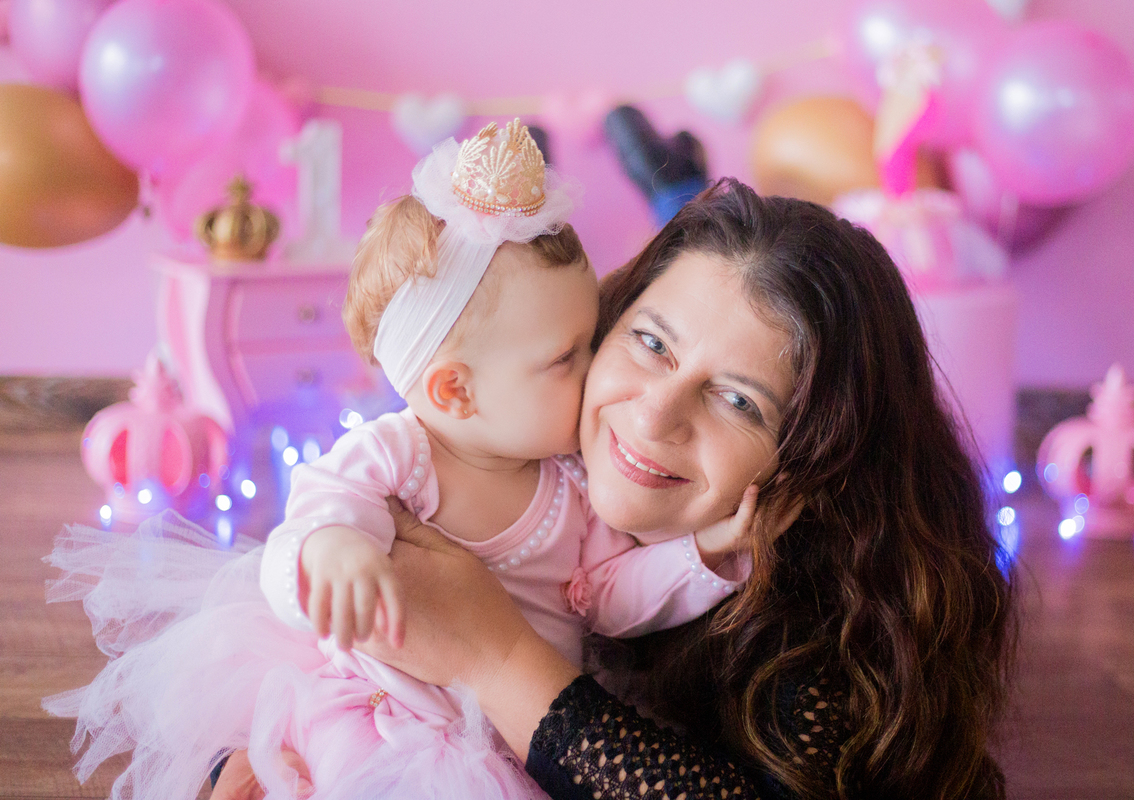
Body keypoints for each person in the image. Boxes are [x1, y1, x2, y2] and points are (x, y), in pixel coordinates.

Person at [216, 177, 1018, 800]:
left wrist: (495, 656)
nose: (653, 415)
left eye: (739, 400)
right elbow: (313, 576)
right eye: (650, 341)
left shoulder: (817, 627)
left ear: (816, 457)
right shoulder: (488, 451)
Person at [44, 120, 751, 800]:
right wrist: (339, 550)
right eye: (567, 357)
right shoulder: (398, 454)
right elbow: (309, 529)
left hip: (512, 736)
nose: (596, 368)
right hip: (381, 723)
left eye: (592, 340)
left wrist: (703, 559)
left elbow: (609, 598)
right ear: (456, 390)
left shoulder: (569, 482)